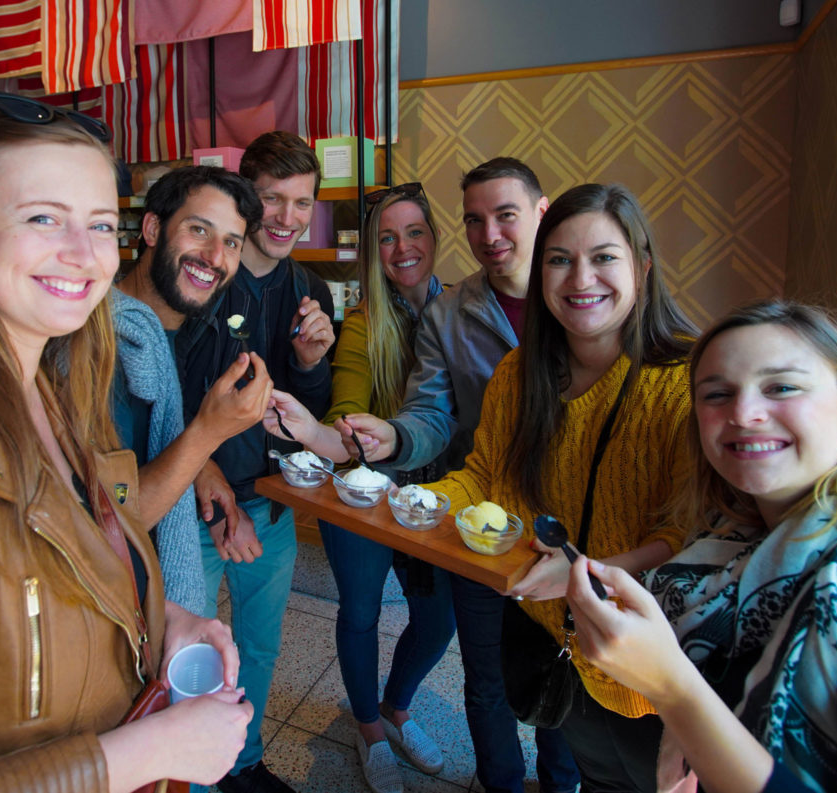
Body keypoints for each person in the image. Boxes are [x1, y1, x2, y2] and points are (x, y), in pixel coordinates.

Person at [0, 91, 251, 792]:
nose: (81, 254)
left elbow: (84, 563)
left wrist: (167, 618)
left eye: (97, 224)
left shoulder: (56, 386)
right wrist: (146, 753)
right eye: (41, 217)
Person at [566, 300, 837, 793]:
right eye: (717, 394)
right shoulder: (728, 540)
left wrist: (674, 691)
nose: (744, 414)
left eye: (781, 387)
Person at [427, 183, 698, 793]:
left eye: (604, 257)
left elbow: (687, 535)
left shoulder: (682, 383)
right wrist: (426, 504)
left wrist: (587, 571)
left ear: (643, 267)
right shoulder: (520, 373)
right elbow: (486, 475)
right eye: (560, 259)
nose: (581, 279)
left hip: (649, 672)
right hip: (560, 643)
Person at [344, 158, 581, 793]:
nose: (491, 233)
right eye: (476, 220)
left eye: (506, 214)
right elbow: (430, 412)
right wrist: (394, 436)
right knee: (485, 675)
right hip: (485, 522)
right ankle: (501, 782)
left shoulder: (577, 298)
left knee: (570, 669)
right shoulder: (450, 315)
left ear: (540, 211)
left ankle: (564, 784)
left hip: (570, 528)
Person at [267, 183, 456, 793]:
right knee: (362, 610)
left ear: (435, 238)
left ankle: (398, 707)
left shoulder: (460, 312)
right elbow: (346, 412)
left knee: (438, 619)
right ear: (373, 252)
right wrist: (356, 435)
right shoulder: (360, 325)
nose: (403, 248)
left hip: (435, 498)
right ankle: (369, 725)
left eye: (415, 232)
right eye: (387, 238)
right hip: (363, 490)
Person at [177, 130, 336, 793]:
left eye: (302, 203)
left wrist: (311, 363)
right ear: (246, 199)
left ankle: (242, 760)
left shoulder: (310, 288)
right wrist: (215, 499)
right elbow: (175, 400)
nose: (287, 218)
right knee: (187, 650)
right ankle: (181, 767)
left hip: (270, 503)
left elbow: (308, 414)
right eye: (272, 199)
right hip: (193, 502)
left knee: (261, 647)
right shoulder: (204, 279)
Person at [112, 165, 273, 618]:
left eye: (231, 242)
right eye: (198, 229)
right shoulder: (103, 347)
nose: (213, 256)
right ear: (151, 228)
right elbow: (113, 522)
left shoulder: (176, 335)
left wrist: (201, 465)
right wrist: (209, 433)